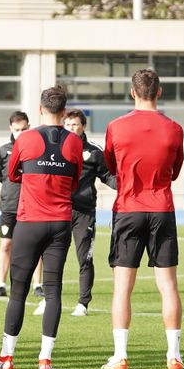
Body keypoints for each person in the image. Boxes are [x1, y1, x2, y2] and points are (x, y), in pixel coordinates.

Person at [0, 87, 83, 369]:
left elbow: (13, 174)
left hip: (30, 222)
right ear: (65, 112)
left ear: (40, 109)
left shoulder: (27, 138)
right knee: (54, 291)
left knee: (18, 291)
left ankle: (7, 357)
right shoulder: (74, 142)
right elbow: (76, 179)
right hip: (60, 223)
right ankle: (45, 359)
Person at [102, 68, 184, 369]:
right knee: (168, 285)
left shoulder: (116, 126)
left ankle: (120, 355)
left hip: (128, 208)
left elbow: (110, 165)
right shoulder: (174, 128)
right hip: (162, 208)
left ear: (132, 92)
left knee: (123, 287)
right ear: (159, 92)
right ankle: (174, 354)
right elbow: (175, 171)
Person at [62, 109, 115, 318]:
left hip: (84, 212)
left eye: (75, 124)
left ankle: (83, 303)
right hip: (60, 210)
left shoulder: (94, 151)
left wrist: (123, 185)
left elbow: (108, 176)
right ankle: (50, 299)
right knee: (54, 257)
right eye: (67, 125)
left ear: (83, 126)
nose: (71, 129)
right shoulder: (57, 148)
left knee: (84, 258)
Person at [0, 110, 31, 297]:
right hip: (9, 206)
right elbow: (0, 174)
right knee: (6, 244)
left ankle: (38, 285)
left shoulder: (34, 148)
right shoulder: (3, 151)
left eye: (23, 129)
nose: (20, 133)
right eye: (16, 130)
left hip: (30, 205)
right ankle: (1, 284)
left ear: (28, 127)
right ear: (10, 128)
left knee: (33, 246)